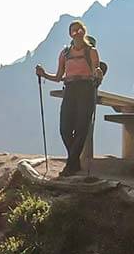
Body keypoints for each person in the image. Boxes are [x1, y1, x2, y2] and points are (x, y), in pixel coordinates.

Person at [36, 20, 103, 178]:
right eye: (73, 30)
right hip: (70, 89)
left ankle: (70, 166)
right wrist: (43, 74)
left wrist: (98, 73)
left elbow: (96, 72)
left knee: (81, 127)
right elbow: (59, 76)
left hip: (86, 88)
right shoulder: (65, 53)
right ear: (70, 34)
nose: (76, 33)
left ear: (84, 32)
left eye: (79, 30)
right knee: (65, 128)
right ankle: (74, 162)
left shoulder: (91, 51)